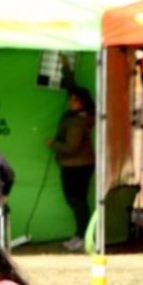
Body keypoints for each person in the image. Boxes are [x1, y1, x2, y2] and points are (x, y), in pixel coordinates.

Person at [47, 85, 96, 252]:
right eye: (71, 98)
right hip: (80, 165)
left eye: (75, 99)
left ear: (82, 103)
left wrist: (53, 144)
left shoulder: (76, 122)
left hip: (76, 167)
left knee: (77, 201)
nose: (70, 101)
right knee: (78, 201)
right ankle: (81, 235)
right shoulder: (81, 118)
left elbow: (71, 147)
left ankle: (82, 236)